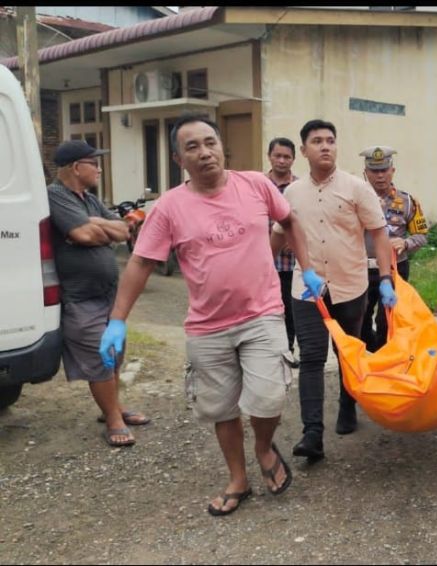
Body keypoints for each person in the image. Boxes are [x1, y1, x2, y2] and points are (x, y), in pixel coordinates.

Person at [99, 114, 317, 516]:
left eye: (209, 142)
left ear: (221, 146)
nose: (204, 152)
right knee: (221, 408)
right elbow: (141, 263)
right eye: (192, 147)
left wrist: (310, 267)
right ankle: (238, 478)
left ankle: (264, 446)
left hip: (263, 313)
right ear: (179, 158)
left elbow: (289, 221)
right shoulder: (169, 208)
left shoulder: (255, 184)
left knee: (269, 398)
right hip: (207, 326)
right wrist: (117, 319)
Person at [274, 119, 395, 462]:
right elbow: (279, 233)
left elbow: (379, 233)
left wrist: (384, 279)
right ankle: (312, 433)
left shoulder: (357, 187)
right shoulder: (292, 193)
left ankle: (347, 405)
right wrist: (262, 269)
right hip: (307, 287)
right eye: (317, 141)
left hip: (351, 285)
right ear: (304, 151)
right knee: (311, 356)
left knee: (349, 351)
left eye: (330, 140)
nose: (325, 146)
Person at [46, 140, 147, 448]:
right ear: (76, 167)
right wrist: (95, 230)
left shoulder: (88, 200)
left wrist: (96, 224)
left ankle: (113, 407)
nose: (100, 168)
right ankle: (113, 420)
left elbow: (122, 231)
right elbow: (83, 234)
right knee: (99, 358)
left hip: (108, 296)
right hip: (81, 297)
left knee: (114, 354)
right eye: (94, 163)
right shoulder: (55, 195)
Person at [359, 145, 429, 352]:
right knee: (359, 318)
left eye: (384, 170)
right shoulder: (354, 200)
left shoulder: (408, 201)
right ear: (365, 173)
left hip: (394, 269)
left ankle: (384, 361)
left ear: (392, 171)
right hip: (360, 268)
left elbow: (421, 235)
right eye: (374, 170)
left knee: (387, 321)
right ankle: (372, 353)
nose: (380, 176)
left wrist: (406, 243)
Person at [267, 137, 300, 368]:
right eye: (277, 155)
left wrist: (295, 240)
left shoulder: (299, 187)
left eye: (286, 156)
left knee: (291, 311)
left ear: (293, 159)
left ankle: (287, 351)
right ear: (270, 156)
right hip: (263, 262)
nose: (281, 160)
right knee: (266, 310)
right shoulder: (258, 185)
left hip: (291, 264)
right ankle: (265, 354)